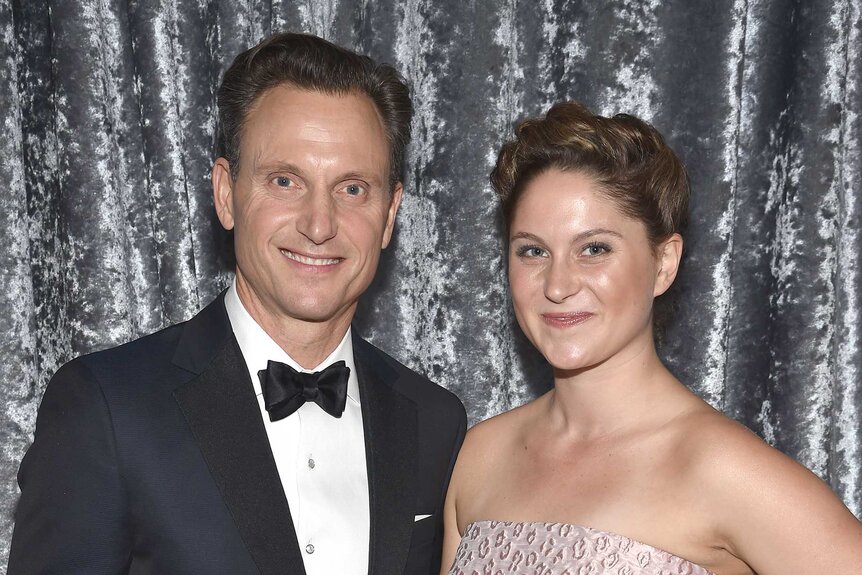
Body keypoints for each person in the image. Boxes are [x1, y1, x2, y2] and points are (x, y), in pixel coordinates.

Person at [9, 32, 466, 575]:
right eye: (285, 180)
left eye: (352, 189)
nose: (319, 225)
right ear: (226, 193)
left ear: (390, 214)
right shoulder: (106, 410)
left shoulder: (434, 422)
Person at [440, 101, 862, 574]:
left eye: (594, 249)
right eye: (533, 251)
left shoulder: (724, 470)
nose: (557, 285)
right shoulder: (480, 456)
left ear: (663, 263)